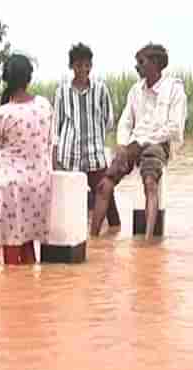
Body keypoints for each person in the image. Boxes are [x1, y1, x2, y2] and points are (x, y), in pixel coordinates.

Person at [92, 43, 187, 240]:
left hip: (158, 144)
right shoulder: (136, 90)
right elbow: (125, 122)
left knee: (150, 183)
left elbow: (175, 128)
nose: (137, 67)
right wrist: (121, 145)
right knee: (105, 183)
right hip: (134, 144)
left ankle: (148, 241)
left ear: (156, 64)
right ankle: (93, 239)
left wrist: (143, 141)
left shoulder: (174, 90)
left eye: (141, 62)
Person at [0, 54, 53, 265]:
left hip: (9, 185)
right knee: (27, 243)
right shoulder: (44, 105)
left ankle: (14, 295)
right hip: (39, 182)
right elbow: (50, 142)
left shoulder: (2, 113)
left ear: (6, 79)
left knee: (11, 249)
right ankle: (29, 292)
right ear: (29, 78)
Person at [52, 43, 121, 233]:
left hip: (94, 155)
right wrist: (55, 159)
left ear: (91, 66)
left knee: (107, 198)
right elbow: (56, 127)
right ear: (72, 66)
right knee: (69, 204)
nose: (83, 69)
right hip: (69, 157)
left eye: (87, 65)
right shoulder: (62, 92)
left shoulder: (100, 90)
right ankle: (77, 236)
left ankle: (106, 238)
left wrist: (96, 138)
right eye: (79, 65)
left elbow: (108, 121)